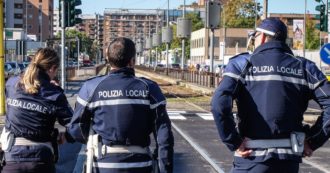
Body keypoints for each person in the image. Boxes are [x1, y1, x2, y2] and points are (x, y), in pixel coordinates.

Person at [211, 17, 330, 173]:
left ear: (263, 37)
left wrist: (233, 141)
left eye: (255, 36)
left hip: (251, 158)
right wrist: (313, 141)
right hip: (289, 161)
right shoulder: (305, 67)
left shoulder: (242, 64)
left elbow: (219, 104)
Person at [66, 37, 174, 173]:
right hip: (140, 165)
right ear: (132, 61)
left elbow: (77, 129)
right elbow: (164, 136)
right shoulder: (150, 88)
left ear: (108, 59)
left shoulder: (91, 87)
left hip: (103, 165)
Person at [1, 48, 73, 173]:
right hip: (41, 159)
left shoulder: (12, 84)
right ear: (52, 68)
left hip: (11, 158)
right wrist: (66, 136)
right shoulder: (54, 93)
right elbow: (73, 123)